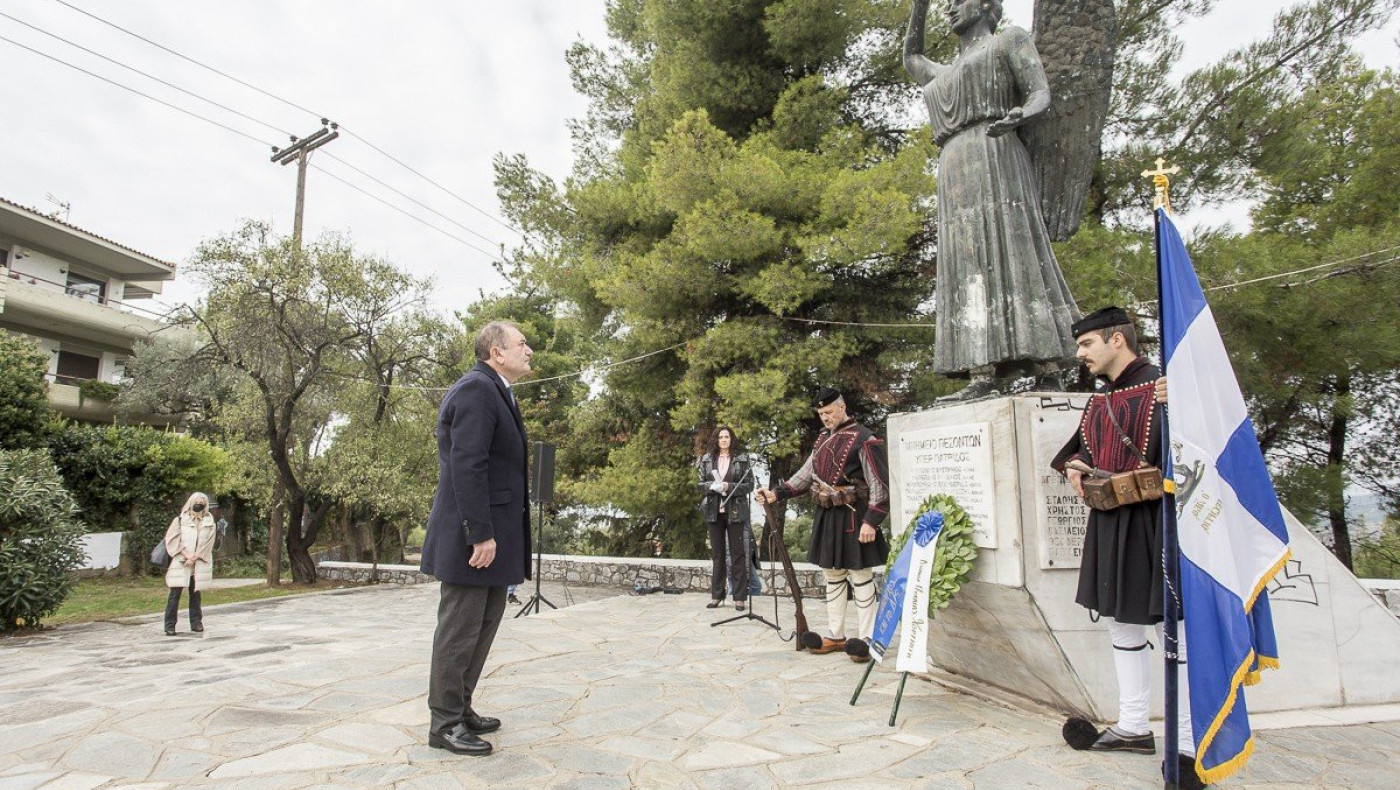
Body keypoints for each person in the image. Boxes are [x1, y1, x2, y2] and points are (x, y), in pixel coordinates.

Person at [1050, 307, 1202, 789]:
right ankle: (1134, 725)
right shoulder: (1099, 402)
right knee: (1124, 621)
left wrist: (1180, 406)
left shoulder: (1166, 386)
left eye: (1087, 344)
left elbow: (1201, 447)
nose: (1080, 354)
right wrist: (1076, 466)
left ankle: (1188, 742)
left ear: (1117, 340)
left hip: (1160, 518)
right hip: (1111, 517)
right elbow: (1078, 451)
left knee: (1176, 624)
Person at [904, 0, 1079, 399]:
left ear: (985, 5)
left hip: (997, 151)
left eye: (956, 1)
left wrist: (1021, 114)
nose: (948, 9)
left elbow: (1040, 93)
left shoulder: (1007, 41)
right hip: (954, 168)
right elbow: (912, 56)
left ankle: (1049, 366)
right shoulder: (944, 73)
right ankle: (980, 375)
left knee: (1016, 252)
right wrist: (919, 6)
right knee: (967, 266)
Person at [419, 321, 533, 757]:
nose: (529, 350)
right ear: (497, 352)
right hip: (474, 536)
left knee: (483, 627)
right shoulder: (476, 389)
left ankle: (460, 707)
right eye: (522, 343)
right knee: (459, 630)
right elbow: (466, 465)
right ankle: (443, 723)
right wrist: (479, 534)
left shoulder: (497, 389)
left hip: (495, 535)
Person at [756, 388, 890, 662]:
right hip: (828, 515)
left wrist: (872, 521)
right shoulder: (822, 439)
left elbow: (879, 484)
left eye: (829, 412)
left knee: (861, 575)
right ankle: (835, 635)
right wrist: (777, 493)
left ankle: (867, 639)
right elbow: (806, 475)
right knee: (833, 575)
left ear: (842, 407)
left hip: (856, 516)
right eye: (821, 414)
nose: (825, 418)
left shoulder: (865, 438)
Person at [697, 426, 755, 611]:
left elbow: (749, 485)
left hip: (736, 511)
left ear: (731, 439)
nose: (723, 439)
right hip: (713, 512)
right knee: (718, 554)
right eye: (720, 437)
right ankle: (717, 596)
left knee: (738, 554)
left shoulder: (742, 459)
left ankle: (739, 597)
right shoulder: (706, 460)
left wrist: (728, 486)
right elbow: (700, 485)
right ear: (716, 440)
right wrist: (712, 486)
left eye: (726, 436)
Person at [162, 492, 217, 636]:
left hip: (198, 563)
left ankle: (196, 622)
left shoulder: (209, 522)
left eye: (202, 502)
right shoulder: (180, 520)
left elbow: (208, 544)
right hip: (181, 561)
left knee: (196, 594)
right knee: (175, 594)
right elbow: (172, 540)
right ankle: (170, 625)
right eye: (197, 501)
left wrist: (195, 557)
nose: (199, 504)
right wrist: (186, 555)